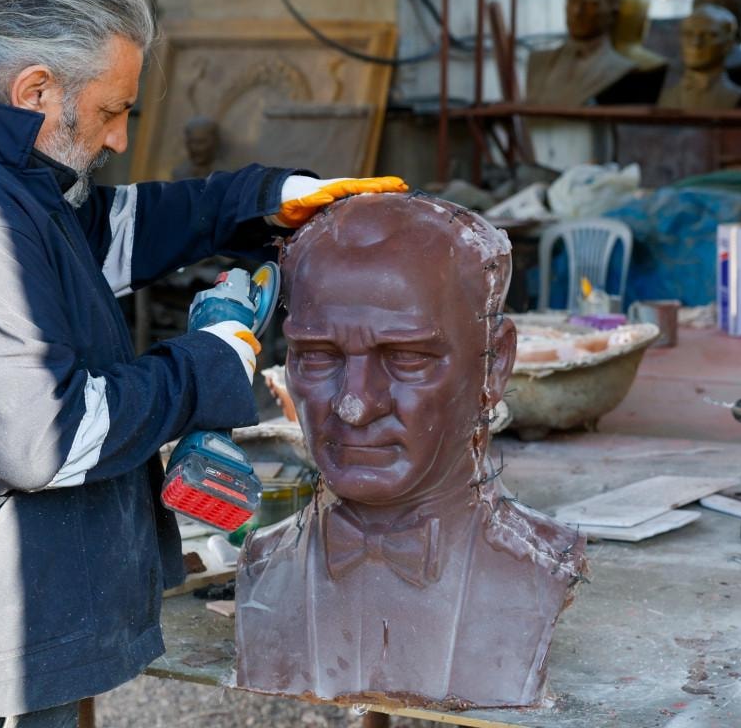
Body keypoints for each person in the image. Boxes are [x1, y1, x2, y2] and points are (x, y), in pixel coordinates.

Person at [0, 0, 406, 728]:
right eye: (113, 110)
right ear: (36, 90)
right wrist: (210, 364)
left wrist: (258, 200)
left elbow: (97, 236)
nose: (119, 138)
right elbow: (44, 440)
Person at [235, 193, 587, 708]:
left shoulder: (541, 570)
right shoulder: (263, 569)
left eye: (406, 358)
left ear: (495, 364)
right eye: (318, 357)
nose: (355, 404)